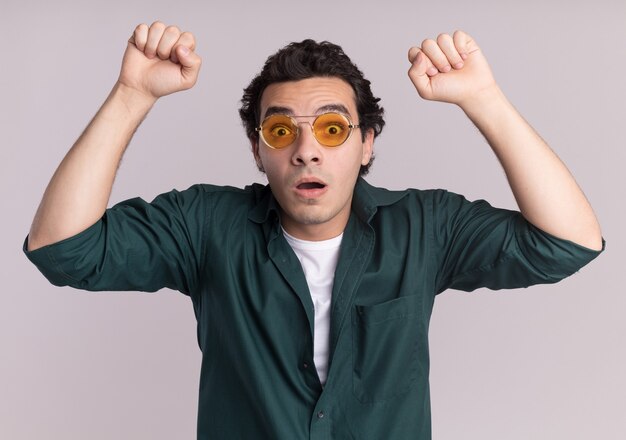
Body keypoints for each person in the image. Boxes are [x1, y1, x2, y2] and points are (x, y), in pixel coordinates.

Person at [24, 21, 604, 440]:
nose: (306, 152)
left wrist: (484, 100)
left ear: (366, 143)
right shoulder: (206, 225)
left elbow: (567, 243)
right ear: (257, 149)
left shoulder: (425, 227)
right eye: (281, 133)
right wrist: (132, 96)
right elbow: (62, 250)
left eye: (331, 129)